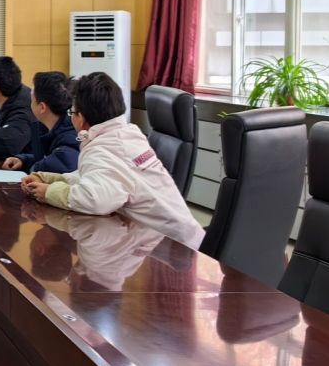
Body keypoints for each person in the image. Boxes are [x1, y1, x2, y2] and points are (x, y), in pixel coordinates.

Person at [21, 72, 205, 250]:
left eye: (72, 112)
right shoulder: (127, 134)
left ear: (81, 119)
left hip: (173, 249)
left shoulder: (103, 149)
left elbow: (94, 199)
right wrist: (51, 179)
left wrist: (48, 192)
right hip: (172, 237)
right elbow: (96, 177)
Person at [2, 71, 80, 174]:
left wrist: (35, 168)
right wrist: (23, 160)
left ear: (42, 107)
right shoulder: (49, 127)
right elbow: (47, 158)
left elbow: (61, 164)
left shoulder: (70, 135)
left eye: (32, 100)